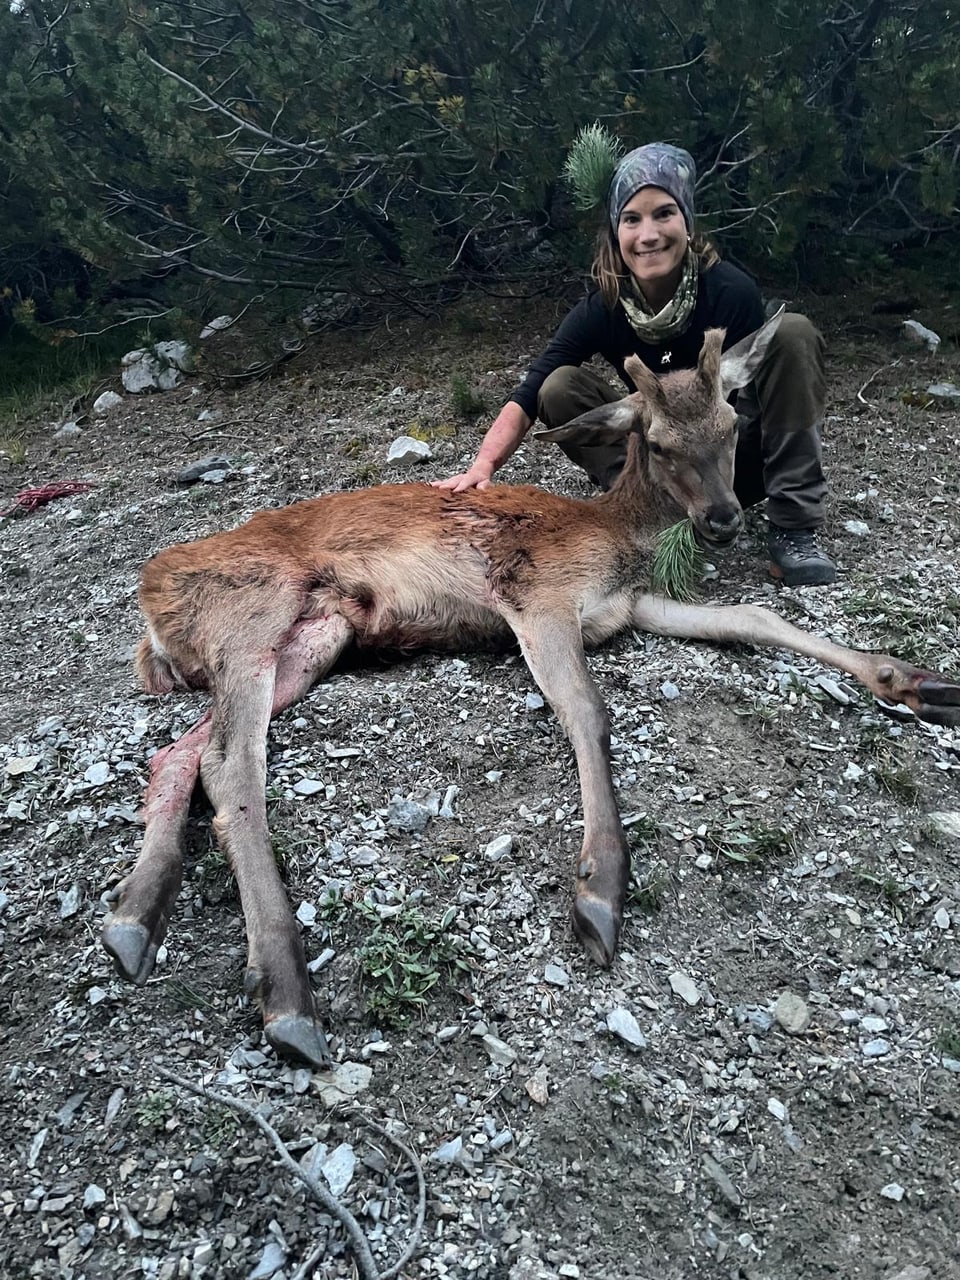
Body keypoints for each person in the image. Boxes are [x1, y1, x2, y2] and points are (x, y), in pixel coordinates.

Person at [433, 140, 835, 587]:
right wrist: (482, 467)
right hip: (662, 466)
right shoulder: (601, 309)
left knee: (793, 333)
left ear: (687, 223)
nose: (648, 235)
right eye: (632, 219)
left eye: (664, 213)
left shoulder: (729, 291)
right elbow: (532, 392)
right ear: (615, 230)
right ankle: (646, 513)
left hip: (726, 464)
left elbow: (745, 398)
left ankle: (794, 527)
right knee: (559, 386)